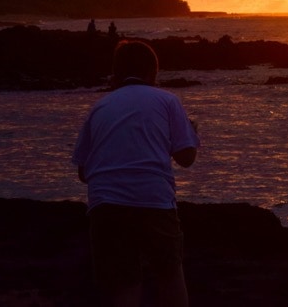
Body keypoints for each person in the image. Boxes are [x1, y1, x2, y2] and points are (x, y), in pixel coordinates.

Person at [73, 39, 201, 307]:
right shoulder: (168, 100)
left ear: (116, 73)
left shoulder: (100, 107)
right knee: (169, 275)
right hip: (153, 199)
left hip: (106, 204)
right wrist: (193, 132)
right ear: (153, 72)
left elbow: (84, 172)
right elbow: (186, 158)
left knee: (124, 285)